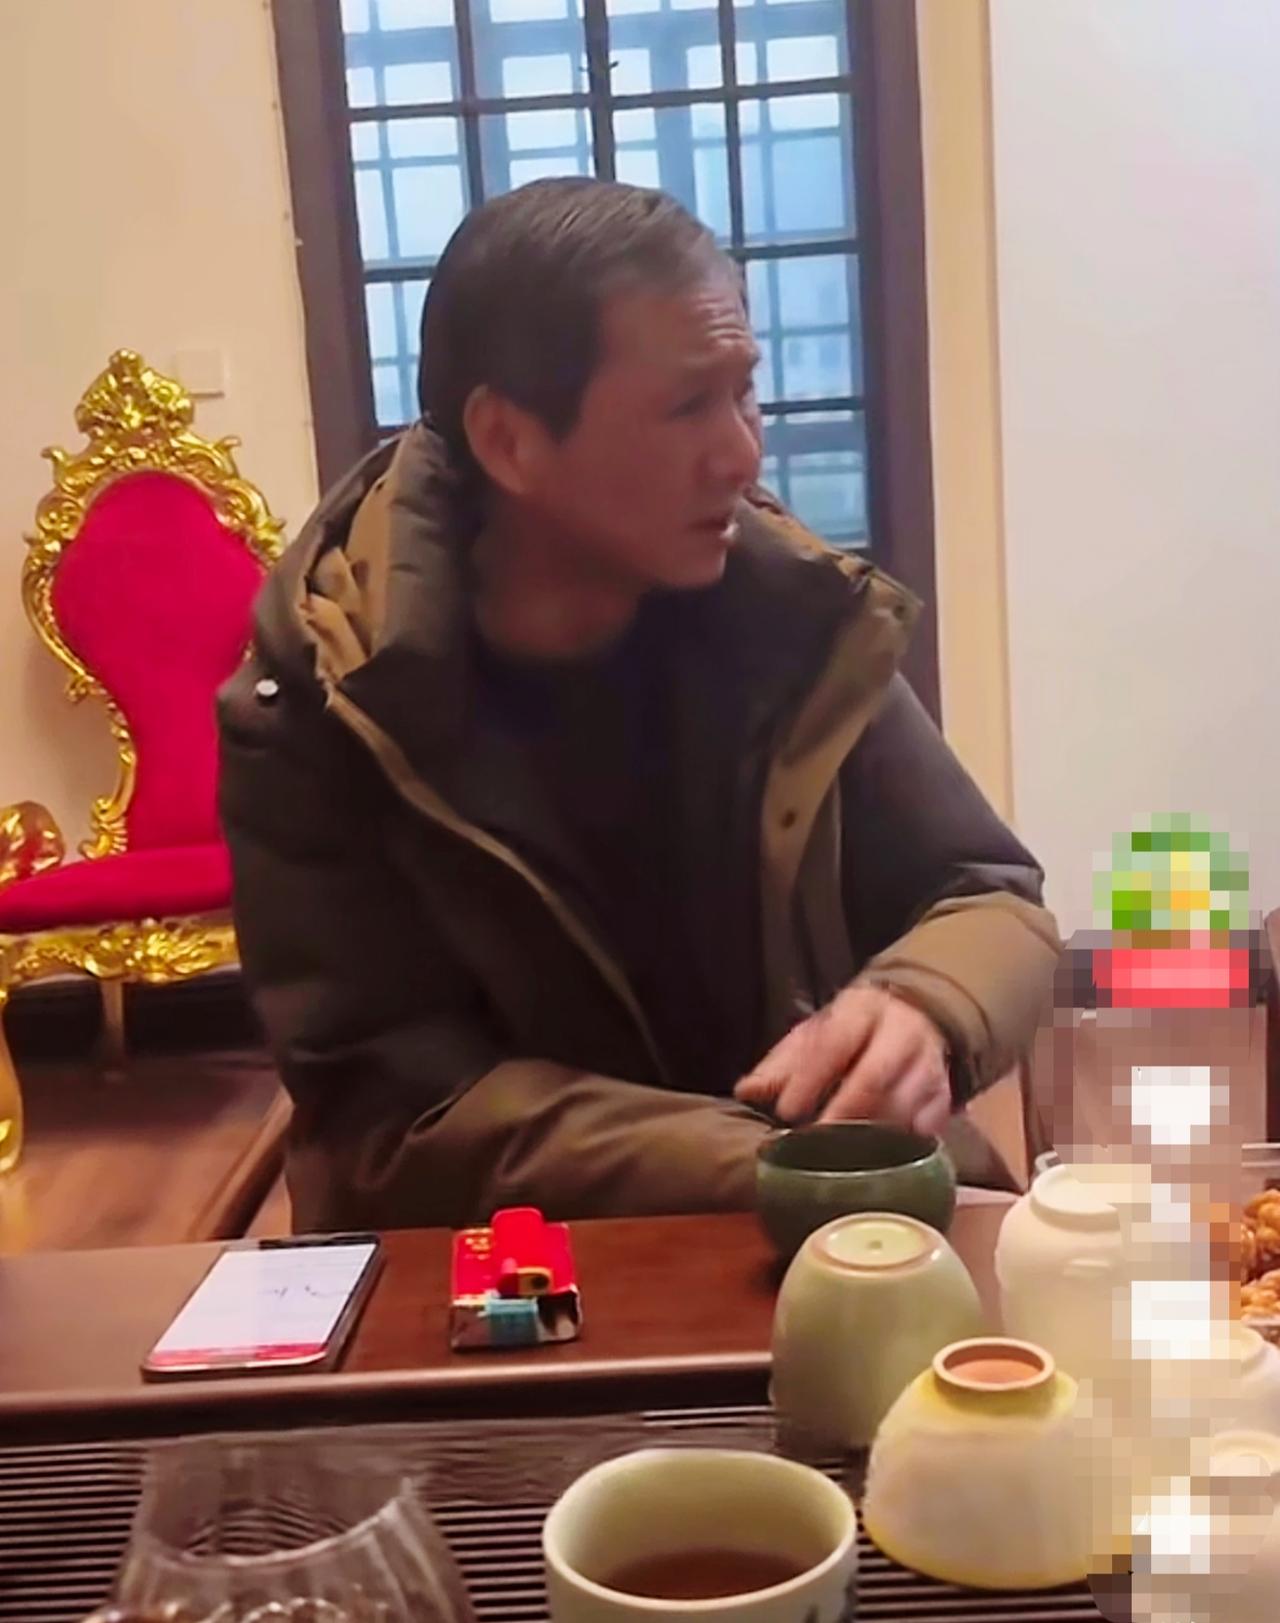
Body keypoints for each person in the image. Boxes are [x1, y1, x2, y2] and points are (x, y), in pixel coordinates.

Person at [217, 178, 1061, 1233]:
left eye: (744, 394)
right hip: (498, 1272)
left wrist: (923, 1007)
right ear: (510, 441)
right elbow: (395, 1123)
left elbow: (986, 891)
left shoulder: (786, 616)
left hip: (829, 1224)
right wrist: (786, 1158)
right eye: (686, 407)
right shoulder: (326, 702)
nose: (743, 454)